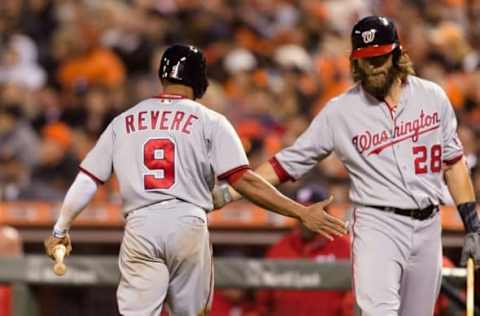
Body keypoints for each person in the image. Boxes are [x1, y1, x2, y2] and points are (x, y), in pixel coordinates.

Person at [43, 44, 347, 316]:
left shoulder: (124, 120)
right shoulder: (210, 120)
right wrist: (300, 211)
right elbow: (245, 180)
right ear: (199, 80)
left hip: (139, 224)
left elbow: (87, 179)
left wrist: (60, 229)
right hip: (186, 222)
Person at [213, 16, 480, 316]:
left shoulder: (432, 97)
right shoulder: (341, 111)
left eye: (379, 57)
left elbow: (454, 164)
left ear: (397, 54)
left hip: (430, 225)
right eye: (366, 60)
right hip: (379, 224)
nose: (374, 66)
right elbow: (286, 163)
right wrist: (232, 190)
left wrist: (472, 227)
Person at [256, 184, 353, 316]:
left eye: (311, 212)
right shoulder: (280, 248)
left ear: (326, 213)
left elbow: (353, 298)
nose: (305, 219)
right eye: (301, 211)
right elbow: (263, 300)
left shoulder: (344, 246)